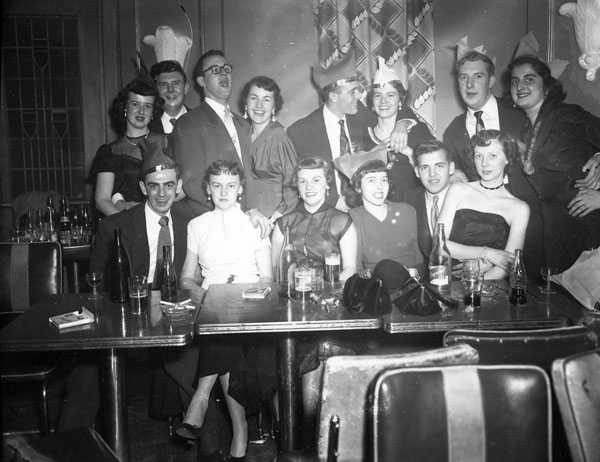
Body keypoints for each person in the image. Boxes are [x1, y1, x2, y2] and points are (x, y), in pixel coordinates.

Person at [175, 160, 273, 462]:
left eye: (231, 185)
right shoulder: (197, 226)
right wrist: (205, 294)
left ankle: (201, 397)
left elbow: (268, 277)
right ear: (207, 189)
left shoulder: (255, 223)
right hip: (210, 305)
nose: (223, 191)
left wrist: (242, 294)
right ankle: (240, 427)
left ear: (241, 189)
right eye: (216, 185)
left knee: (224, 332)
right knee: (223, 332)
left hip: (250, 303)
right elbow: (186, 279)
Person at [444, 50, 542, 276]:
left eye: (477, 76)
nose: (469, 84)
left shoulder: (520, 116)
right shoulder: (454, 130)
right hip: (483, 232)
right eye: (463, 77)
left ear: (491, 81)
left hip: (529, 221)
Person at [287, 52, 413, 211]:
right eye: (352, 92)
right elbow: (299, 179)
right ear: (333, 96)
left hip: (364, 209)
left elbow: (398, 109)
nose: (359, 96)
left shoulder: (360, 114)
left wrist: (401, 125)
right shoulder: (302, 131)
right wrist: (335, 201)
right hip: (325, 210)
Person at [508, 55, 600, 271]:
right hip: (556, 235)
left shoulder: (566, 115)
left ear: (547, 86)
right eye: (514, 81)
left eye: (529, 79)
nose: (520, 86)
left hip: (585, 230)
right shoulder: (526, 128)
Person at [437, 130, 530, 280]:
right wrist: (487, 253)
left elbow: (507, 265)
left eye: (492, 156)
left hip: (490, 286)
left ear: (507, 158)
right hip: (450, 281)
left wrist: (473, 280)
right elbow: (439, 244)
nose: (484, 163)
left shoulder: (519, 208)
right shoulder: (458, 190)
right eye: (478, 156)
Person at [170, 50, 253, 215]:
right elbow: (193, 181)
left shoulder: (243, 124)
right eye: (215, 70)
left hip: (246, 217)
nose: (223, 74)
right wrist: (232, 211)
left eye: (226, 69)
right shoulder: (189, 122)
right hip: (212, 217)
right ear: (201, 81)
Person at [335, 148, 425, 276]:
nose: (380, 186)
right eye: (371, 180)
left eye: (384, 179)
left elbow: (421, 262)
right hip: (374, 288)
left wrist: (414, 271)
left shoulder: (407, 211)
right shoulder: (353, 219)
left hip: (410, 285)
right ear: (357, 187)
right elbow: (356, 270)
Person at [88, 76, 166, 217]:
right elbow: (102, 200)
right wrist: (126, 224)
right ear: (125, 107)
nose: (141, 111)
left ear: (153, 111)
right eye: (135, 104)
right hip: (124, 224)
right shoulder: (109, 152)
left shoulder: (166, 143)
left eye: (147, 106)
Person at [271, 157, 357, 281]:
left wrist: (324, 289)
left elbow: (350, 269)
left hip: (331, 292)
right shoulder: (283, 223)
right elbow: (276, 269)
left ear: (327, 184)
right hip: (293, 292)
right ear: (297, 186)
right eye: (302, 181)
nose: (308, 187)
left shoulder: (342, 222)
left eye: (316, 180)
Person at [364, 57, 434, 200]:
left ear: (400, 100)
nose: (384, 101)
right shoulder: (363, 135)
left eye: (391, 95)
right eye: (378, 95)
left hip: (413, 207)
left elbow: (434, 173)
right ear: (372, 102)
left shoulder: (418, 131)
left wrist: (410, 154)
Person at [239, 76, 298, 219]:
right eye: (254, 98)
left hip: (272, 214)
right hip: (243, 211)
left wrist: (277, 217)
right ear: (246, 103)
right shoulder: (240, 135)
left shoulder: (279, 137)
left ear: (274, 107)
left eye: (266, 99)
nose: (259, 105)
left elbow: (293, 185)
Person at [401, 140, 455, 263]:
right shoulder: (407, 201)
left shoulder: (467, 198)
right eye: (425, 168)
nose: (432, 174)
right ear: (417, 172)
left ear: (451, 168)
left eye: (439, 166)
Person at [148, 60, 190, 134]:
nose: (170, 89)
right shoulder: (146, 124)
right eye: (163, 84)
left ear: (186, 88)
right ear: (156, 90)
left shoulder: (202, 121)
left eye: (176, 83)